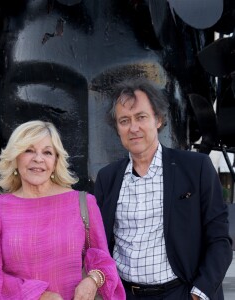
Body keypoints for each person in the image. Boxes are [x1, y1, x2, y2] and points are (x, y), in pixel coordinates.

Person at [94, 77, 233, 300]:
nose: (134, 128)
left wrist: (199, 294)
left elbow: (219, 240)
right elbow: (99, 244)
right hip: (124, 294)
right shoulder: (107, 178)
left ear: (158, 119)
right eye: (124, 120)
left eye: (141, 117)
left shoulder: (196, 168)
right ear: (117, 128)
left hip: (181, 292)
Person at [0, 120, 125, 300]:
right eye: (29, 150)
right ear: (15, 158)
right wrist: (38, 295)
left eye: (47, 152)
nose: (38, 158)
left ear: (55, 162)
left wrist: (92, 280)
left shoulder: (83, 203)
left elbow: (104, 262)